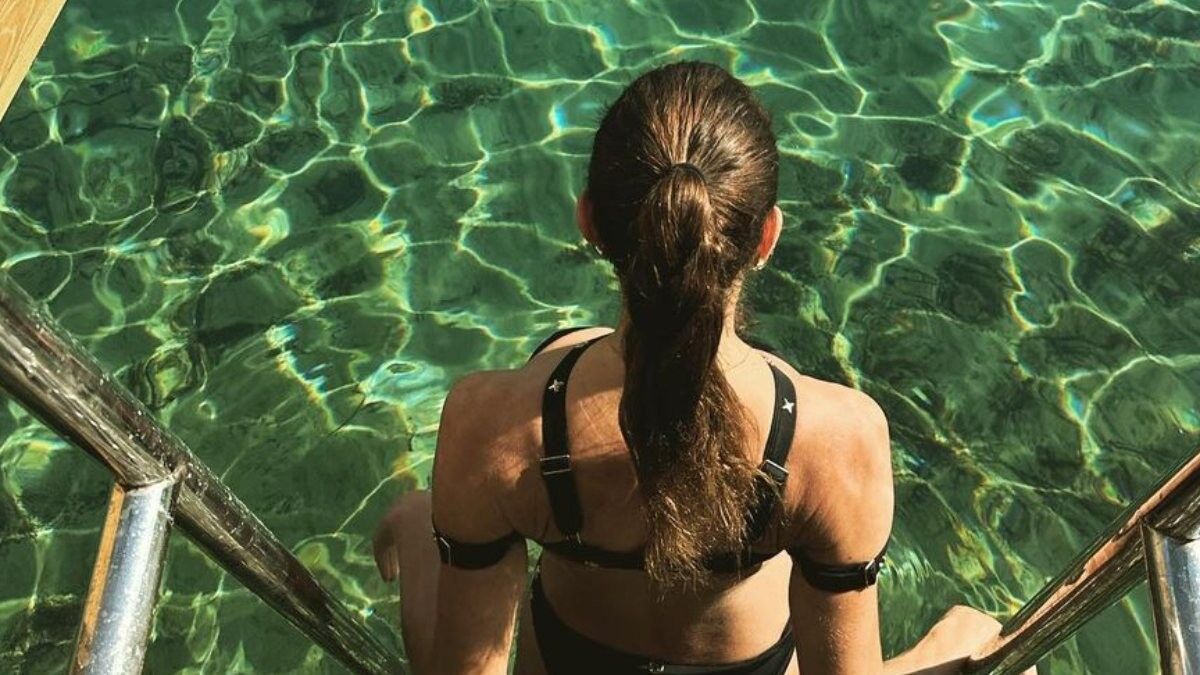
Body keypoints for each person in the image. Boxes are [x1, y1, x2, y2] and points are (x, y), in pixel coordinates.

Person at [373, 61, 1014, 675]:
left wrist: (431, 531)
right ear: (766, 237)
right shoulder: (842, 439)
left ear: (589, 220)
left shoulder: (487, 425)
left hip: (564, 662)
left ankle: (421, 520)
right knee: (979, 632)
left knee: (566, 354)